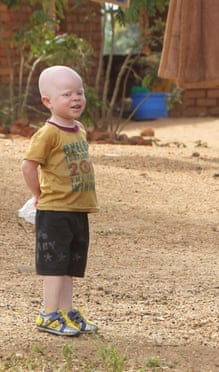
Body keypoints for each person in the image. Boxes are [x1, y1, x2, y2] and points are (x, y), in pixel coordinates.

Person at [21, 65, 99, 336]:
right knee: (54, 265)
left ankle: (66, 311)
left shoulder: (79, 129)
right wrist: (37, 195)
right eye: (67, 94)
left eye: (79, 92)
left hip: (77, 209)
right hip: (54, 210)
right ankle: (48, 314)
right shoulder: (48, 133)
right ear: (48, 101)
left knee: (69, 264)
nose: (76, 98)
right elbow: (29, 165)